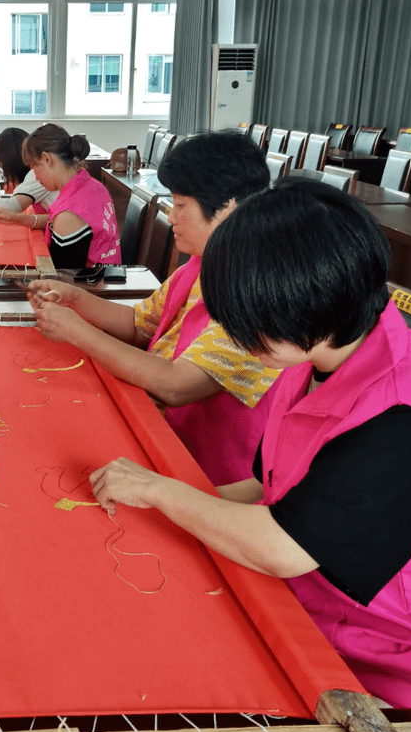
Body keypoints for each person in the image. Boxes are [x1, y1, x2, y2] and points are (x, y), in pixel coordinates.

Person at [90, 178, 411, 708]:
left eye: (253, 326)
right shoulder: (313, 358)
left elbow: (283, 546)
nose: (241, 341)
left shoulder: (408, 417)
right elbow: (269, 486)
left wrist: (160, 494)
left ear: (313, 308)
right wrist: (169, 506)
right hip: (308, 613)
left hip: (393, 670)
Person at [26, 131, 279, 486]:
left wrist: (77, 332)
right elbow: (139, 324)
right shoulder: (199, 266)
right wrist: (75, 298)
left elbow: (176, 386)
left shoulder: (259, 291)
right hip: (154, 424)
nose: (171, 217)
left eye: (180, 206)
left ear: (226, 207)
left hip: (201, 472)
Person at [0, 123, 120, 270]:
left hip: (91, 287)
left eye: (33, 167)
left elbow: (60, 281)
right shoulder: (93, 186)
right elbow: (58, 221)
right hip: (107, 277)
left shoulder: (68, 215)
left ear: (47, 159)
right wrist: (16, 219)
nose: (35, 176)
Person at [0, 127, 58, 222]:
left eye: (4, 168)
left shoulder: (37, 173)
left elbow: (11, 206)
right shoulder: (40, 169)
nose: (4, 175)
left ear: (14, 163)